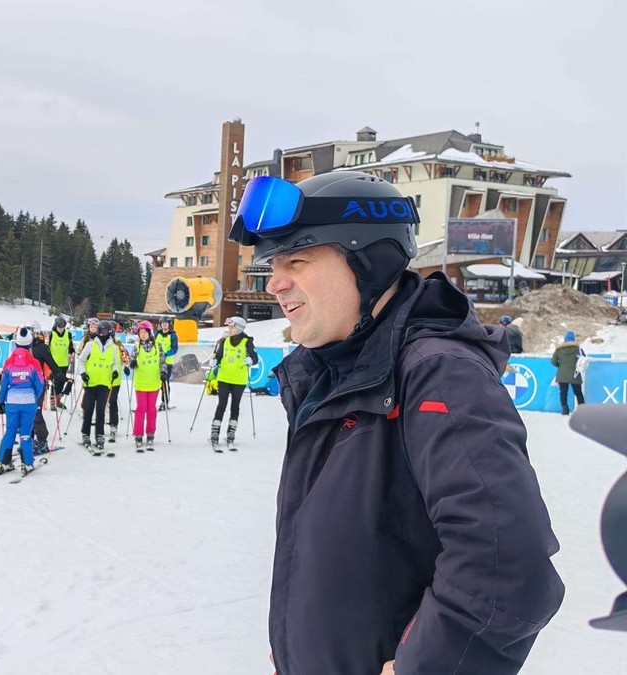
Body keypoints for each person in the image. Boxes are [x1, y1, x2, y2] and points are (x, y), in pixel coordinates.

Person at [230, 170, 563, 674]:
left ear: (369, 263)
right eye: (273, 264)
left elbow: (506, 567)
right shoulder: (332, 373)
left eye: (296, 260)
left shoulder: (438, 374)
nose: (275, 283)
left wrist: (421, 666)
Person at [0, 326, 46, 475]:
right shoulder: (34, 362)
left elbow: (4, 384)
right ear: (29, 345)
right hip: (28, 401)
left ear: (16, 344)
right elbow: (40, 383)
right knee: (26, 432)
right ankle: (27, 463)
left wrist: (0, 401)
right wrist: (34, 396)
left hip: (12, 400)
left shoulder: (9, 362)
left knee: (10, 431)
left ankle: (3, 463)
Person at [208, 316, 257, 451]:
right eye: (229, 328)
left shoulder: (247, 342)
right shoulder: (225, 341)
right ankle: (215, 432)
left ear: (239, 329)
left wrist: (250, 360)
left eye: (232, 328)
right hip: (224, 378)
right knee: (221, 405)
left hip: (239, 380)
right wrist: (215, 361)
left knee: (235, 406)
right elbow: (218, 356)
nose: (229, 330)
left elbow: (255, 357)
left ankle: (231, 432)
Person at [76, 319, 121, 453]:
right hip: (90, 383)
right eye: (100, 331)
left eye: (104, 331)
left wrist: (115, 371)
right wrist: (83, 373)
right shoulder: (90, 345)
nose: (102, 333)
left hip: (104, 383)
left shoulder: (113, 348)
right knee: (88, 409)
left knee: (101, 410)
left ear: (109, 332)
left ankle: (99, 435)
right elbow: (81, 360)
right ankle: (85, 433)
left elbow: (115, 363)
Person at [129, 320, 162, 451]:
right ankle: (138, 434)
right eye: (140, 332)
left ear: (149, 332)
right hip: (141, 383)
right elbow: (132, 359)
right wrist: (132, 364)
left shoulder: (157, 345)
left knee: (151, 409)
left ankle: (150, 432)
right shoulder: (137, 346)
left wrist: (164, 372)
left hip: (154, 382)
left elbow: (162, 361)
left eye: (145, 332)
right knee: (141, 408)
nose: (142, 335)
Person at [28, 321, 60, 451]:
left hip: (39, 384)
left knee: (36, 412)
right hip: (26, 384)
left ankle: (42, 440)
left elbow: (50, 364)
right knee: (28, 412)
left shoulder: (41, 347)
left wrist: (55, 375)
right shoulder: (25, 348)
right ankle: (28, 439)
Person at [551, 330, 585, 415]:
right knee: (578, 392)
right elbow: (583, 360)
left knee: (563, 393)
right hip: (575, 374)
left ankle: (565, 409)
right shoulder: (578, 350)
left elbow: (553, 361)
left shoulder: (559, 350)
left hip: (562, 374)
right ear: (573, 339)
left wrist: (561, 366)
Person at [47, 317, 75, 410]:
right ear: (56, 326)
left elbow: (71, 347)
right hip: (53, 364)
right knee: (55, 383)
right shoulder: (52, 334)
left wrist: (71, 354)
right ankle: (52, 402)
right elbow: (47, 348)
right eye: (59, 327)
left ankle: (58, 401)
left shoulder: (68, 334)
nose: (61, 329)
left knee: (62, 382)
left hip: (64, 363)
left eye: (62, 327)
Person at [154, 318, 179, 410]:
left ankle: (165, 401)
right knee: (154, 381)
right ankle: (151, 401)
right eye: (163, 323)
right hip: (156, 361)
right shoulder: (157, 334)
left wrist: (165, 354)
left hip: (167, 362)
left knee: (165, 382)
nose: (164, 325)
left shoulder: (173, 335)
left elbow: (175, 349)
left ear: (169, 324)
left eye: (166, 323)